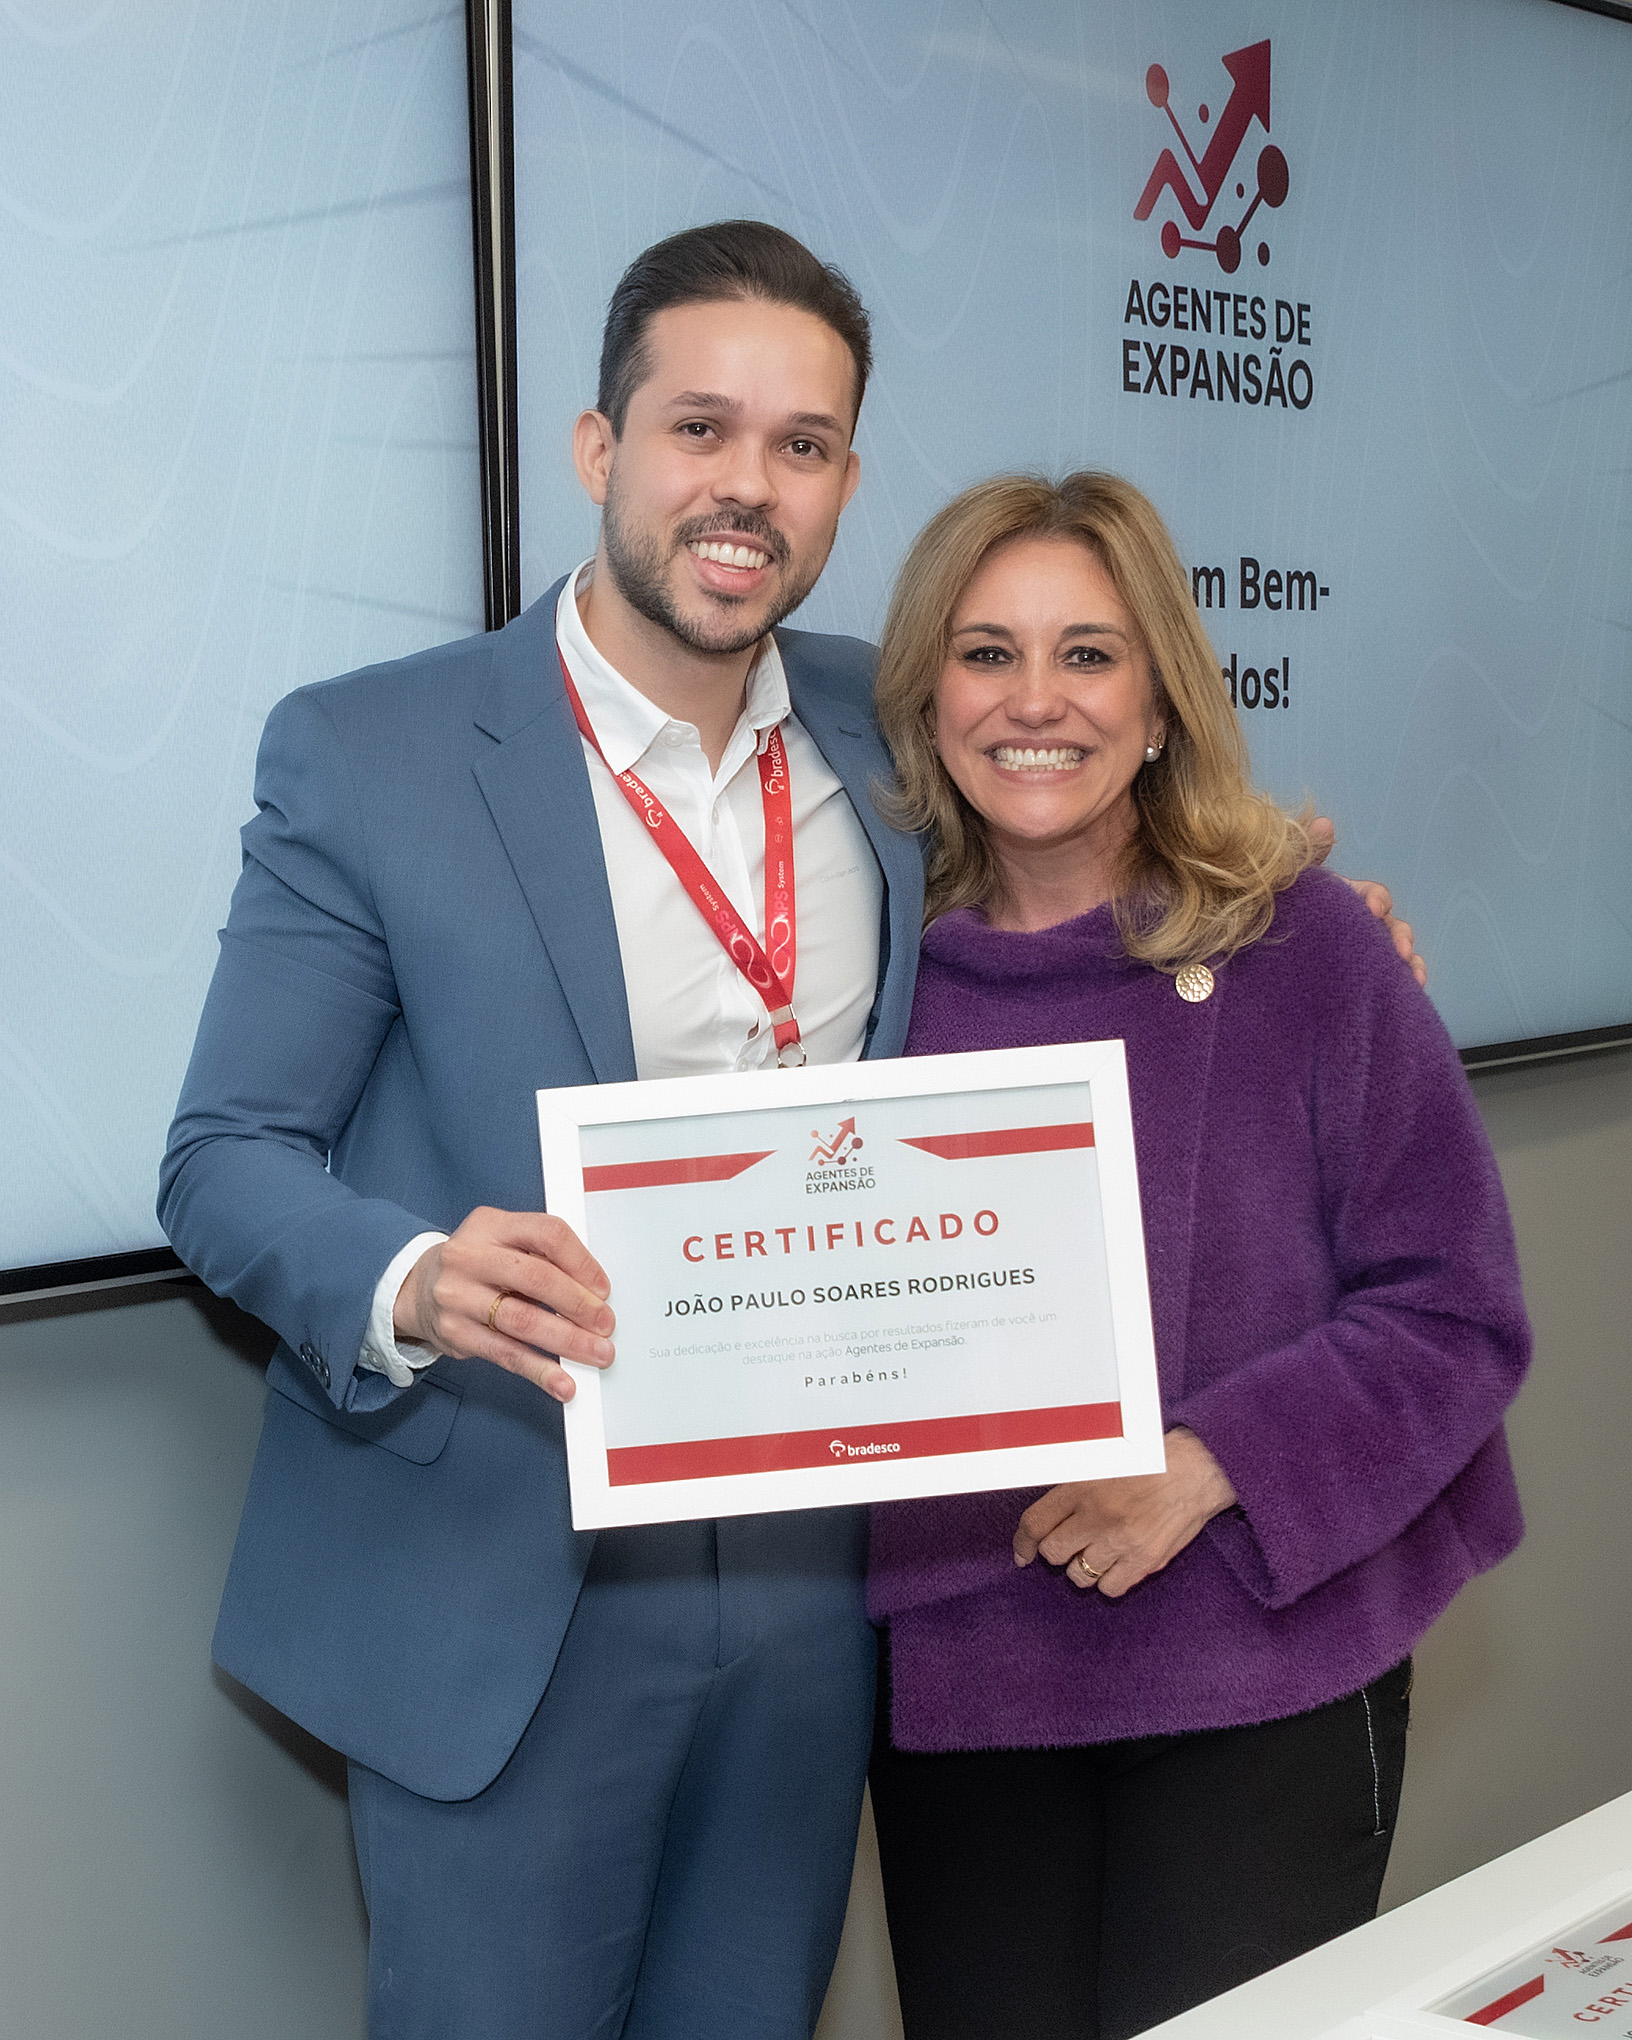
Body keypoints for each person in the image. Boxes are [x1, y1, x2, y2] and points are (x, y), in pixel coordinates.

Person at [160, 218, 1418, 2037]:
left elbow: (1104, 862)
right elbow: (222, 1157)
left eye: (802, 443)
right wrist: (414, 1278)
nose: (747, 485)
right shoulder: (372, 755)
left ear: (844, 488)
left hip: (818, 1610)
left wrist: (1307, 914)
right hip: (509, 1582)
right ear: (600, 449)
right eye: (701, 428)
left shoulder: (896, 731)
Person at [864, 471, 1530, 2040]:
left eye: (1089, 655)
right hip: (969, 1691)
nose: (1037, 701)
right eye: (986, 653)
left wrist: (1210, 1462)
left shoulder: (1308, 945)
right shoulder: (863, 984)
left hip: (1268, 1665)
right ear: (926, 700)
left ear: (1161, 700)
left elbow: (1456, 1311)